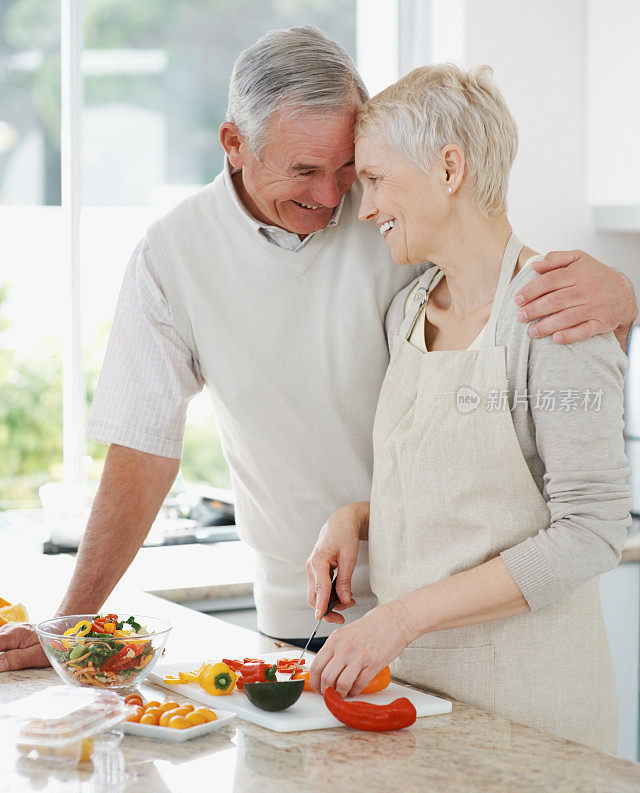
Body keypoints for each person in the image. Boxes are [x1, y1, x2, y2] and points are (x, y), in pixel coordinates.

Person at [0, 29, 636, 672]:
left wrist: (621, 302)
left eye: (349, 171)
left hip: (453, 615)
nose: (335, 199)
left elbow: (507, 310)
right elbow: (141, 448)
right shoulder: (174, 256)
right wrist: (72, 623)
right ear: (234, 145)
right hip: (301, 612)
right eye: (304, 170)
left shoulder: (397, 214)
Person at [306, 63, 632, 753]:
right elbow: (461, 500)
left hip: (535, 721)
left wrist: (398, 619)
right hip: (420, 705)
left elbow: (592, 530)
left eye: (375, 178)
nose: (362, 208)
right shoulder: (407, 312)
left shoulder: (556, 314)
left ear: (449, 169)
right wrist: (357, 518)